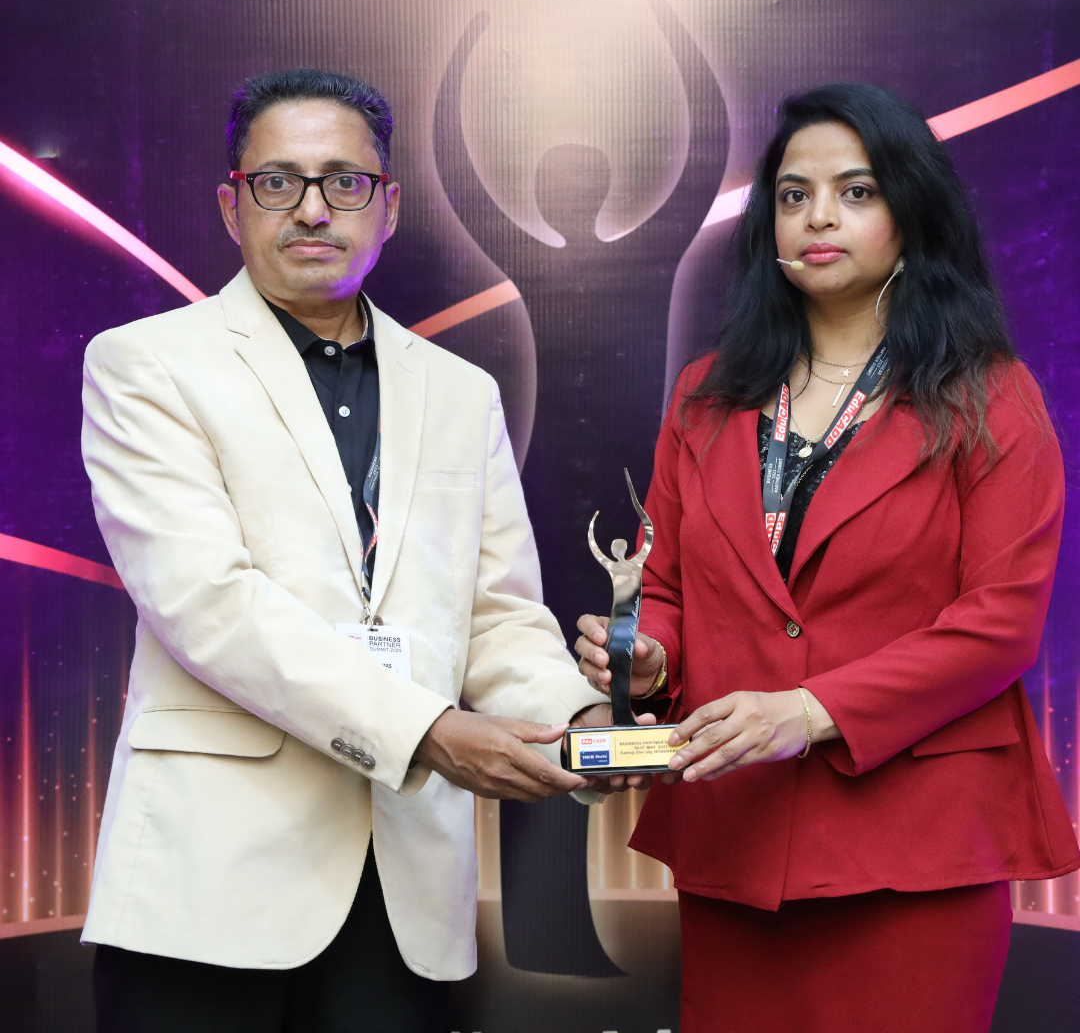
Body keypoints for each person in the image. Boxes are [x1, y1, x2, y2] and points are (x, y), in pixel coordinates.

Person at [80, 67, 615, 1033]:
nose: (313, 208)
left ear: (389, 206)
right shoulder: (145, 364)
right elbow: (209, 604)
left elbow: (497, 615)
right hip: (210, 882)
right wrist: (430, 732)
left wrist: (580, 722)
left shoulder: (461, 392)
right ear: (232, 206)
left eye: (345, 181)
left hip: (406, 889)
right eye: (277, 181)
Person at [575, 82, 1080, 1033]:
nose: (818, 217)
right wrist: (649, 656)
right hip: (736, 834)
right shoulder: (705, 397)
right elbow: (669, 587)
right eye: (794, 195)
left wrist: (808, 711)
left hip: (915, 849)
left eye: (856, 191)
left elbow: (1001, 626)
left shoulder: (989, 396)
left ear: (911, 212)